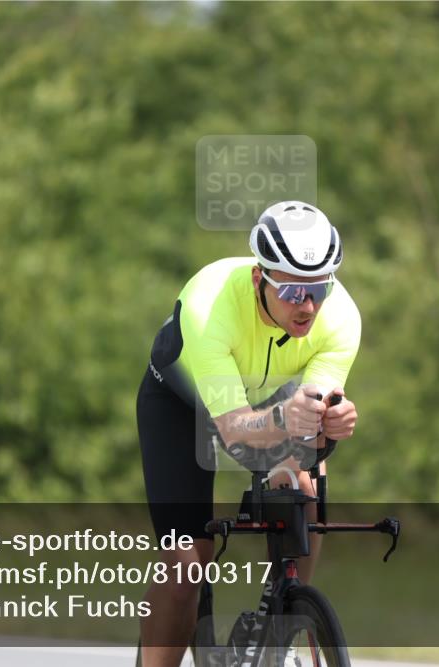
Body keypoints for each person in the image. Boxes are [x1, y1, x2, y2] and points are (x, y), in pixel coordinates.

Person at [136, 201, 361, 666]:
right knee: (184, 570)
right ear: (261, 280)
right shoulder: (210, 306)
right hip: (182, 406)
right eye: (294, 291)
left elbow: (310, 425)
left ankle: (283, 620)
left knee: (303, 487)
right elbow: (235, 428)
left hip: (265, 400)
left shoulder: (340, 318)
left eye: (319, 288)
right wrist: (285, 420)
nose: (309, 305)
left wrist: (329, 426)